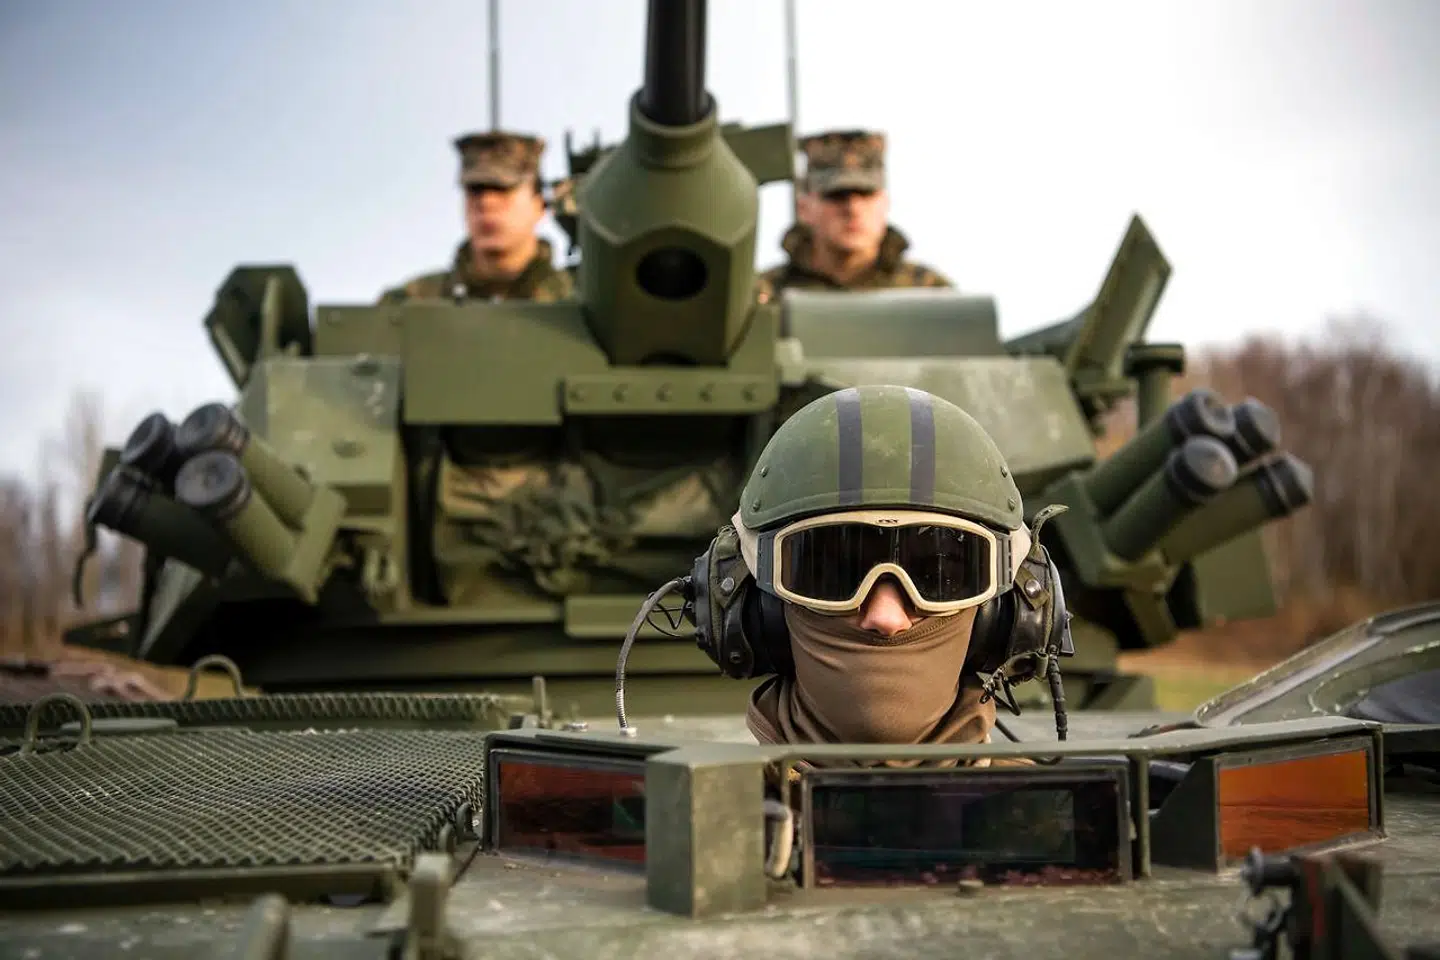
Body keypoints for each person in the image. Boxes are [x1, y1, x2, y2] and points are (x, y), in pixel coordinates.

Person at [688, 384, 1072, 769]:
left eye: (937, 576)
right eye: (833, 575)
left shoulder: (1063, 806)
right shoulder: (686, 805)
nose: (886, 618)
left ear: (1001, 614)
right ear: (760, 607)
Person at [754, 130, 952, 303]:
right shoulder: (766, 296)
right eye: (837, 196)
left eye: (866, 194)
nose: (853, 209)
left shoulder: (929, 294)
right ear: (804, 208)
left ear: (884, 204)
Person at [378, 131, 573, 304]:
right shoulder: (411, 303)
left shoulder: (576, 300)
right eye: (475, 191)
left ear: (539, 205)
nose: (486, 202)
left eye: (503, 190)